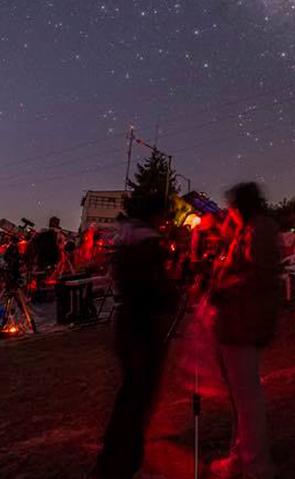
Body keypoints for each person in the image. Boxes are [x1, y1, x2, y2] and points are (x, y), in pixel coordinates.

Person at [91, 194, 179, 479]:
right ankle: (123, 467)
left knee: (129, 397)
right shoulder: (147, 242)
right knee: (136, 400)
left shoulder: (127, 237)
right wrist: (174, 293)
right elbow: (155, 289)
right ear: (155, 215)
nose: (166, 221)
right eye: (164, 215)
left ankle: (119, 462)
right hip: (142, 328)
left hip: (127, 323)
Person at [209, 182, 281, 479]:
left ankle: (255, 465)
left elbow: (259, 277)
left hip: (244, 322)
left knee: (247, 397)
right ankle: (242, 456)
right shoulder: (249, 229)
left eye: (231, 208)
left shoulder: (259, 230)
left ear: (240, 206)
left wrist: (222, 289)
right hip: (237, 321)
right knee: (242, 397)